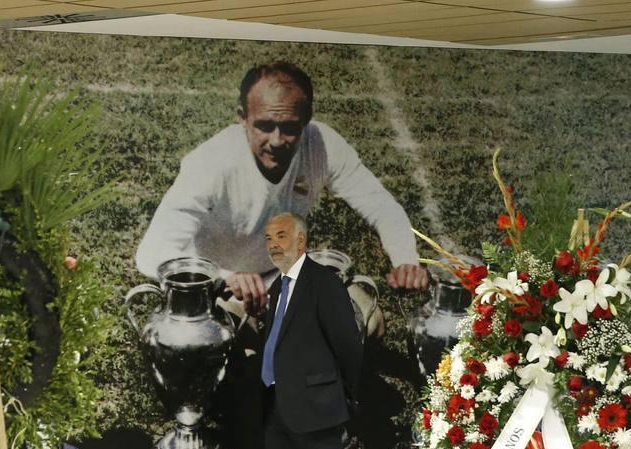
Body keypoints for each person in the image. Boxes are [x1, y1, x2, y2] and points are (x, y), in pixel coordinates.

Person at [135, 60, 428, 310]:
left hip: (280, 274)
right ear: (243, 118)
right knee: (240, 349)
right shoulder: (211, 161)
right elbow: (152, 254)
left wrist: (405, 260)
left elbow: (380, 205)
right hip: (216, 286)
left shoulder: (322, 144)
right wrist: (226, 277)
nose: (276, 141)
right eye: (264, 126)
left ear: (306, 120)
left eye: (289, 127)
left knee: (364, 318)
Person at [220, 213, 392, 449]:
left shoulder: (324, 282)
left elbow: (348, 345)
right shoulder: (280, 286)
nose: (273, 244)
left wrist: (338, 395)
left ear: (301, 241)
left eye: (281, 236)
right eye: (268, 238)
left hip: (315, 406)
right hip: (279, 404)